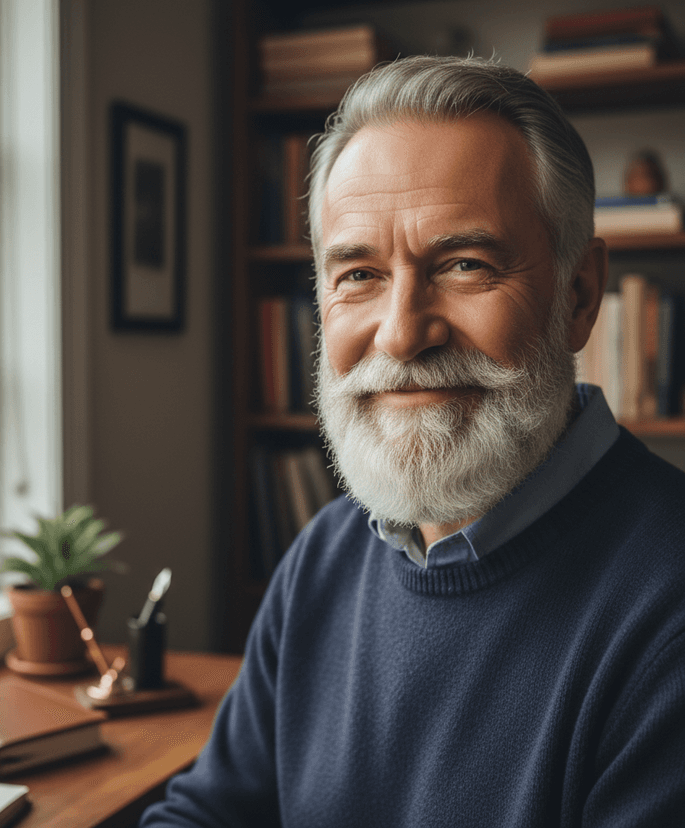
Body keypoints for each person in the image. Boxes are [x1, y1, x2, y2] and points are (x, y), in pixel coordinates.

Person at [141, 55, 685, 827]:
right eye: (358, 275)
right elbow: (207, 816)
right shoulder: (323, 559)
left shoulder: (667, 614)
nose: (400, 335)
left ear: (579, 295)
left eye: (465, 264)